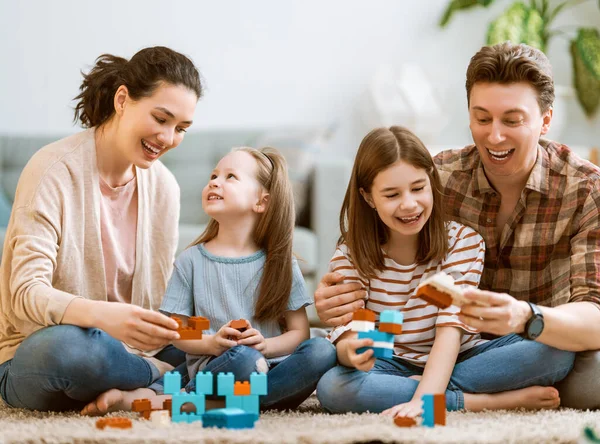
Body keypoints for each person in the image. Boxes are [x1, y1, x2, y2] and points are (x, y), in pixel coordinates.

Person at [314, 42, 600, 409]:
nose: (494, 136)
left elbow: (594, 315)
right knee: (334, 382)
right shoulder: (437, 178)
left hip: (521, 341)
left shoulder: (586, 189)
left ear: (545, 120)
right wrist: (336, 301)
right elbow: (366, 241)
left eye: (512, 121)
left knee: (574, 366)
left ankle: (426, 391)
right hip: (427, 351)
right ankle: (460, 397)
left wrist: (525, 317)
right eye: (482, 119)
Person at [315, 126, 574, 416]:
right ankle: (480, 401)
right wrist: (350, 350)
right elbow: (349, 329)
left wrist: (423, 395)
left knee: (556, 348)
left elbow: (450, 329)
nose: (409, 204)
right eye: (391, 195)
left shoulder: (463, 242)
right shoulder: (351, 254)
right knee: (332, 388)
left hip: (462, 355)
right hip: (389, 360)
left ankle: (427, 392)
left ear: (431, 182)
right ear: (368, 197)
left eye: (418, 188)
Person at [0, 46, 203, 412]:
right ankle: (165, 384)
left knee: (229, 346)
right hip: (40, 352)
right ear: (122, 99)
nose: (168, 138)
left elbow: (157, 302)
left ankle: (141, 387)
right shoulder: (51, 171)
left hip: (130, 351)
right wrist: (100, 316)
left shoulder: (164, 188)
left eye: (181, 129)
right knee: (72, 350)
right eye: (161, 118)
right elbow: (25, 293)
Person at [80, 147, 337, 415]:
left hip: (272, 365)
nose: (214, 181)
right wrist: (212, 343)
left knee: (322, 350)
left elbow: (300, 333)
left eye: (230, 177)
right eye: (214, 175)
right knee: (245, 359)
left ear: (261, 202)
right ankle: (234, 400)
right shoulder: (190, 260)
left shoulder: (281, 261)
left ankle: (191, 401)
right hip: (222, 365)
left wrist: (265, 345)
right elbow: (178, 330)